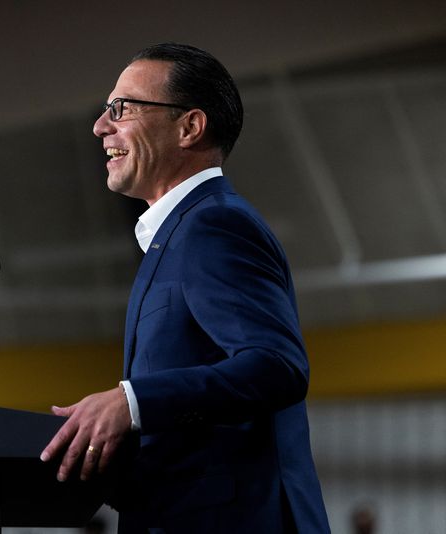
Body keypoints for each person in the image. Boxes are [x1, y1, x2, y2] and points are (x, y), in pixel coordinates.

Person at [40, 43, 330, 533]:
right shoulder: (179, 235)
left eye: (122, 108)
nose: (100, 126)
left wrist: (130, 402)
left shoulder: (213, 224)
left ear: (189, 126)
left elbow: (277, 364)